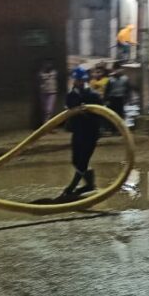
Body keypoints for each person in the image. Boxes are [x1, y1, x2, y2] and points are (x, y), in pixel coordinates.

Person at [62, 66, 103, 199]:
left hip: (91, 132)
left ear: (84, 80)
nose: (78, 82)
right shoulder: (71, 95)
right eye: (77, 80)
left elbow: (101, 111)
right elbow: (69, 108)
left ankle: (71, 187)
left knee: (83, 160)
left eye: (81, 80)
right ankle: (90, 184)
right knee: (75, 160)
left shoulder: (93, 95)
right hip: (78, 132)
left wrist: (87, 113)